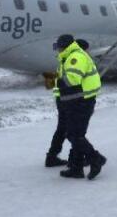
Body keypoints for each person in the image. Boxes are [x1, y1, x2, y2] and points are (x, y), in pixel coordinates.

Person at [54, 35, 106, 180]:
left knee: (73, 135)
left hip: (80, 101)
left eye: (57, 46)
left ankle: (95, 159)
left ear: (63, 46)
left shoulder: (75, 57)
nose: (57, 49)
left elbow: (72, 79)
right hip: (77, 100)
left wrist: (55, 80)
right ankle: (77, 168)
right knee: (77, 134)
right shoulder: (72, 55)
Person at [45, 39, 90, 167]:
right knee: (75, 131)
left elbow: (54, 80)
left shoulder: (65, 59)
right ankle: (79, 158)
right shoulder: (75, 59)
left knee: (63, 129)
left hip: (62, 98)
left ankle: (52, 156)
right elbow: (73, 80)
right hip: (69, 99)